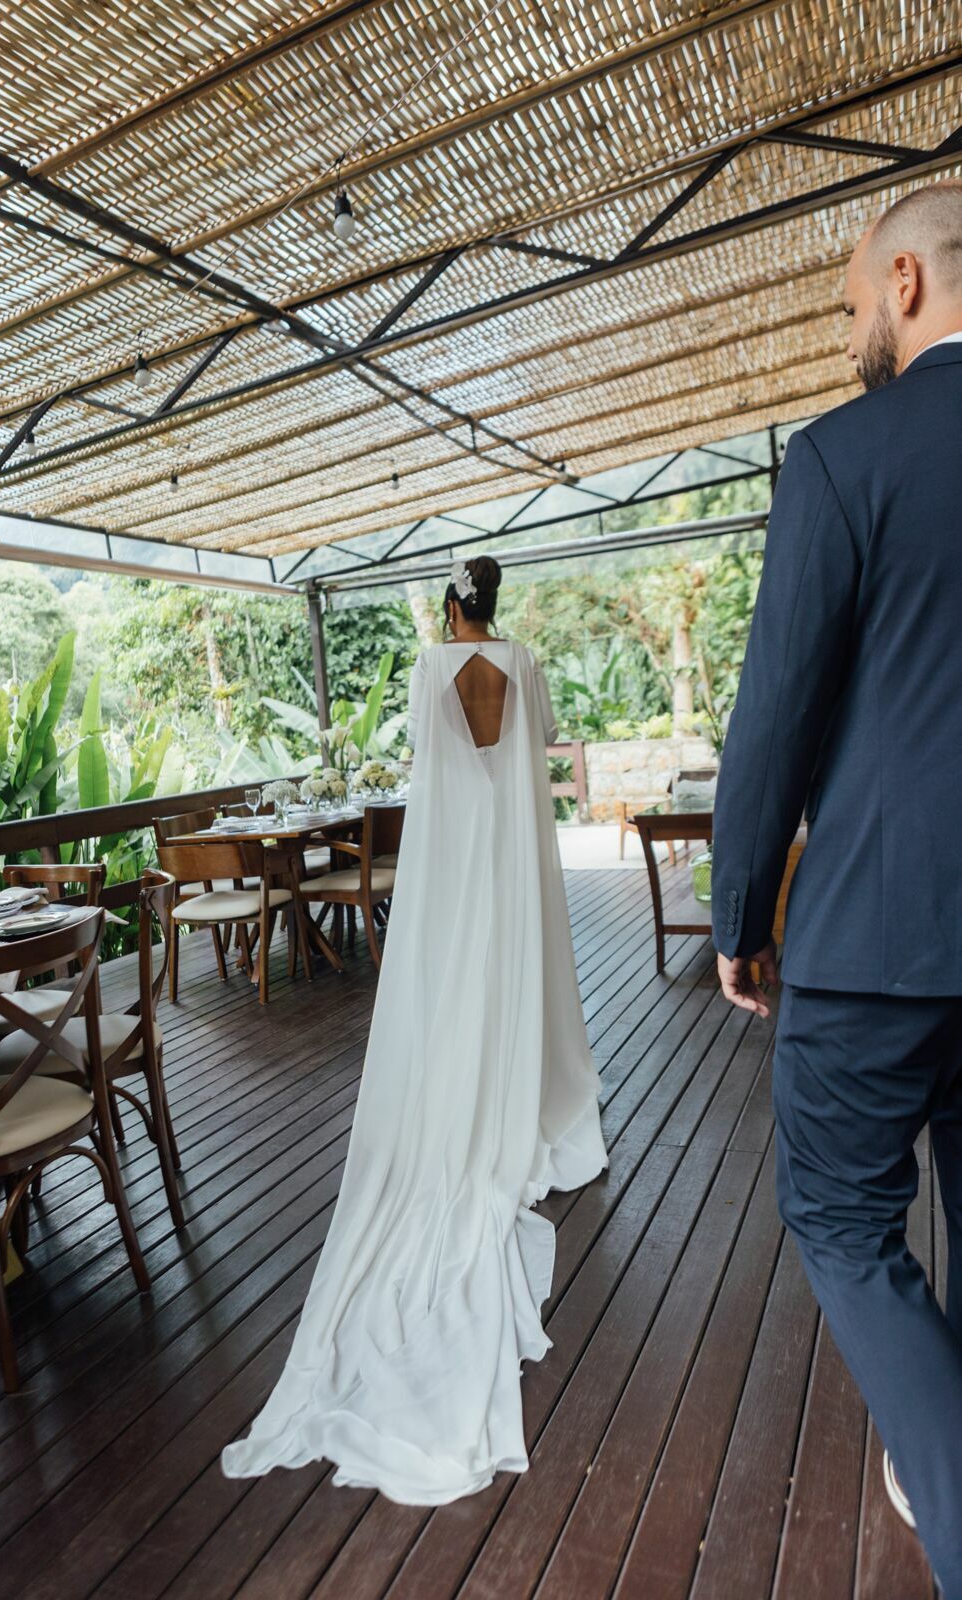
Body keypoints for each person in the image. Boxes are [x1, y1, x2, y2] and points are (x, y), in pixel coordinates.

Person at [222, 554, 607, 1503]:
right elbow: (532, 748)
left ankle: (468, 1075)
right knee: (512, 964)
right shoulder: (523, 663)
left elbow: (431, 770)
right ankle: (519, 1082)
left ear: (447, 604)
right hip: (511, 853)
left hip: (456, 856)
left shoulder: (433, 668)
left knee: (457, 975)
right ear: (494, 603)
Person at [712, 183, 962, 1597]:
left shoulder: (838, 455)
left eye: (858, 296)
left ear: (907, 283)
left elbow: (774, 718)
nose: (852, 325)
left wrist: (739, 916)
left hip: (872, 935)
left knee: (839, 1222)